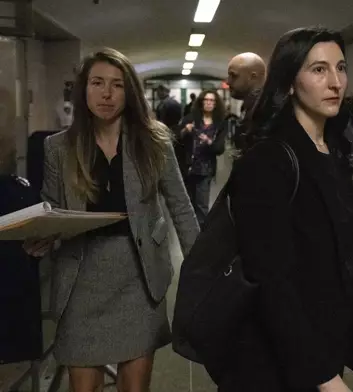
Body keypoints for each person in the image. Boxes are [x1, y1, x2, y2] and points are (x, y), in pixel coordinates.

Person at [219, 26, 353, 392]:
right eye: (318, 70)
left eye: (340, 68)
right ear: (290, 82)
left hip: (327, 330)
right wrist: (322, 376)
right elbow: (270, 280)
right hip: (277, 355)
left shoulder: (331, 149)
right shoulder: (268, 161)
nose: (335, 82)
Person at [23, 48, 200, 392]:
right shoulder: (58, 147)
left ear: (129, 91)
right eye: (97, 83)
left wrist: (201, 268)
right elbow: (52, 207)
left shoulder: (154, 140)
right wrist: (40, 236)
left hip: (138, 277)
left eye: (117, 85)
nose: (106, 93)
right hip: (81, 279)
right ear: (83, 89)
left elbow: (180, 206)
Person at [177, 90, 227, 228]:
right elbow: (175, 138)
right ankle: (189, 231)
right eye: (206, 100)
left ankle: (201, 235)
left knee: (201, 204)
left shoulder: (220, 124)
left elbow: (219, 148)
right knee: (187, 203)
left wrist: (209, 142)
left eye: (212, 100)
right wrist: (185, 131)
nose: (209, 103)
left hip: (205, 168)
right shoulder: (191, 118)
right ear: (201, 102)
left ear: (216, 104)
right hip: (188, 166)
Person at [226, 52, 266, 149]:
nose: (228, 82)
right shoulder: (250, 106)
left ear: (253, 77)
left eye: (234, 76)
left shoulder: (265, 109)